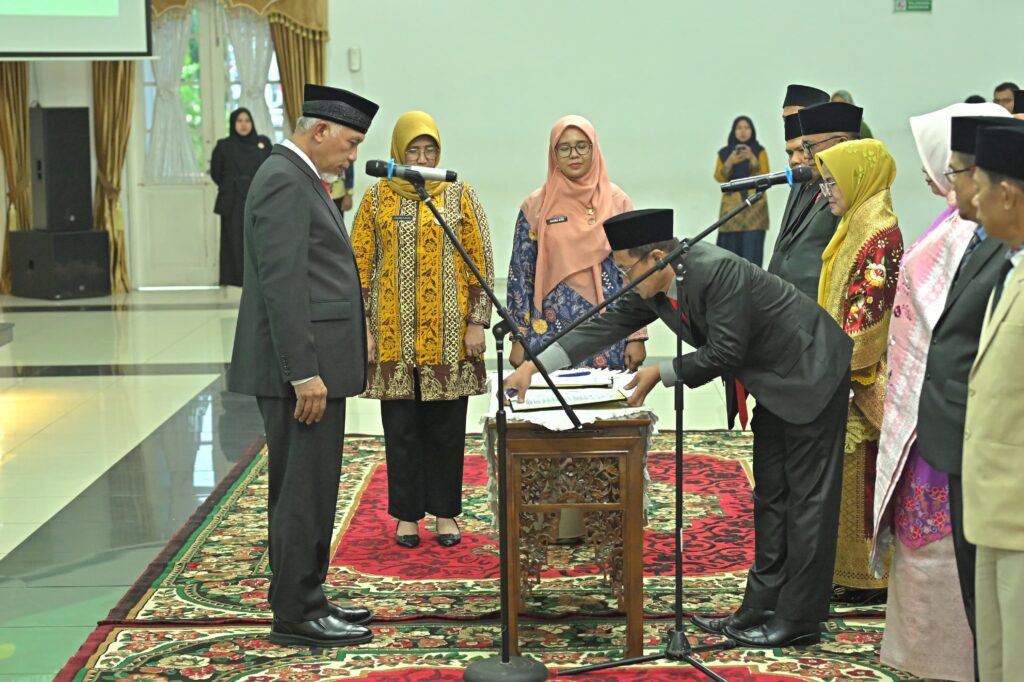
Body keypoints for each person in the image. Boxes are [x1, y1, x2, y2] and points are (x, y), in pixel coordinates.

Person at [505, 208, 854, 648]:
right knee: (771, 495)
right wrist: (534, 368)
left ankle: (799, 618)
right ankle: (761, 606)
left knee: (807, 501)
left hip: (811, 371)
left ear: (654, 257)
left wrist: (660, 372)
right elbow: (600, 327)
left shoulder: (716, 271)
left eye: (625, 268)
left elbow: (727, 351)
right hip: (774, 381)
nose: (622, 279)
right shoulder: (652, 285)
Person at [228, 84, 379, 647]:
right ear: (319, 132)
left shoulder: (299, 178)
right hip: (300, 374)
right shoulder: (282, 181)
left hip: (315, 367)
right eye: (350, 142)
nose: (352, 155)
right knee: (300, 491)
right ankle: (296, 611)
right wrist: (302, 373)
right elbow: (282, 286)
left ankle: (308, 593)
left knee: (313, 488)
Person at [871, 103, 1008, 682]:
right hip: (936, 416)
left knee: (975, 572)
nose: (948, 181)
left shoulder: (989, 238)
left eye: (957, 170)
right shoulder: (954, 226)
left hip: (974, 427)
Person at [351, 111, 494, 549]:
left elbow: (480, 261)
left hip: (449, 338)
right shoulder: (377, 199)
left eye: (429, 149)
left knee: (447, 429)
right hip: (392, 336)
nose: (422, 157)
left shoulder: (457, 195)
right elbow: (357, 266)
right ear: (397, 151)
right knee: (401, 430)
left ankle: (446, 512)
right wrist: (364, 330)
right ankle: (408, 516)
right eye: (413, 149)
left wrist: (476, 321)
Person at [914, 114, 1019, 655]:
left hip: (1006, 476)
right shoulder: (986, 244)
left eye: (961, 174)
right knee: (990, 619)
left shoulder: (1009, 253)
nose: (956, 186)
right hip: (971, 450)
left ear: (1003, 192)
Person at [814, 140, 904, 603]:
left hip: (864, 375)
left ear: (858, 178)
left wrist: (837, 367)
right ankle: (848, 572)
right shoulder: (853, 225)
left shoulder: (879, 232)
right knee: (848, 479)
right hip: (842, 371)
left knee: (863, 477)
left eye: (832, 182)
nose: (826, 192)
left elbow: (868, 318)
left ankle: (871, 578)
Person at [507, 115, 647, 373]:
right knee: (550, 409)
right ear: (553, 154)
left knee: (606, 410)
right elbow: (521, 275)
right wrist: (518, 336)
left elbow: (636, 273)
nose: (574, 154)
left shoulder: (618, 202)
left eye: (582, 146)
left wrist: (636, 336)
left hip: (610, 329)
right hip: (549, 331)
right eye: (565, 147)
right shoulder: (535, 205)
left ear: (594, 149)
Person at [963, 124, 1024, 682]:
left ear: (1008, 195)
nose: (972, 198)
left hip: (1020, 512)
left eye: (979, 185)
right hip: (996, 510)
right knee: (999, 662)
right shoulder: (1010, 266)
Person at [768, 101, 862, 301]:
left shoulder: (852, 191)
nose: (805, 156)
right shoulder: (804, 181)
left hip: (817, 306)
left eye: (808, 147)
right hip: (785, 301)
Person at [210, 107, 271, 286]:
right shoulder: (224, 146)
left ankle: (260, 279)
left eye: (247, 120)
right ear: (233, 123)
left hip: (259, 199)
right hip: (233, 201)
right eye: (239, 121)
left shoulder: (263, 143)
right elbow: (216, 173)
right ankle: (236, 279)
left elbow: (272, 167)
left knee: (259, 240)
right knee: (235, 241)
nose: (244, 125)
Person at [714, 116, 770, 266]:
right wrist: (730, 161)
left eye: (747, 127)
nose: (743, 131)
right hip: (731, 210)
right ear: (733, 131)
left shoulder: (759, 151)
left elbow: (766, 175)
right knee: (729, 257)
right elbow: (719, 177)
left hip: (755, 211)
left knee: (752, 255)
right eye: (739, 128)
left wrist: (752, 158)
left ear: (752, 130)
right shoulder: (724, 153)